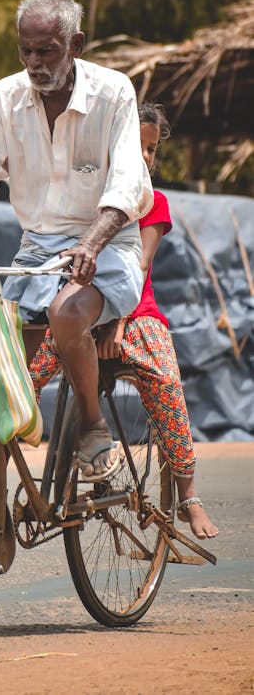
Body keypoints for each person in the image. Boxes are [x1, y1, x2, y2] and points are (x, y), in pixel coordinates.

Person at [0, 0, 153, 487]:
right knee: (0, 373)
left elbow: (128, 184)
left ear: (76, 45)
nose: (34, 62)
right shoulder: (6, 97)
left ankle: (92, 424)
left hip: (107, 245)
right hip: (37, 250)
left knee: (67, 314)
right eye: (26, 50)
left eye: (47, 50)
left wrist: (89, 245)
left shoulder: (113, 93)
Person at [29, 102, 218, 540]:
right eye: (138, 147)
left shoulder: (153, 202)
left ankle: (189, 496)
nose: (147, 158)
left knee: (165, 380)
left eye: (152, 150)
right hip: (78, 312)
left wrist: (117, 324)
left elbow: (140, 266)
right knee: (23, 383)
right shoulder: (84, 199)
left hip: (134, 315)